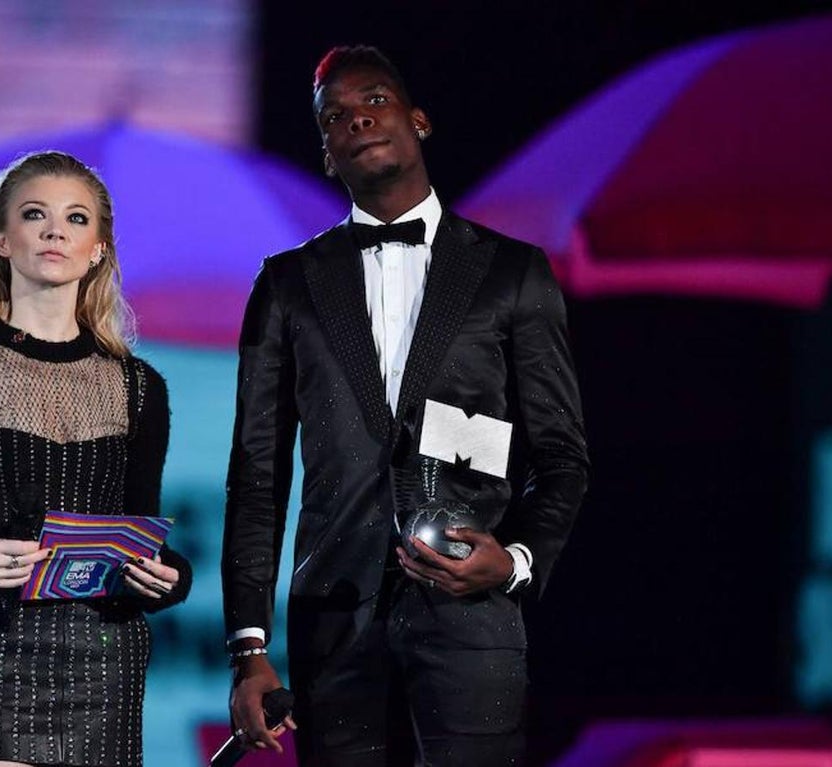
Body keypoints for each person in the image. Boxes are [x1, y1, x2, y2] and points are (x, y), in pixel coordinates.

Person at [223, 46, 589, 766]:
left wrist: (514, 561)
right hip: (334, 628)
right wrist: (248, 647)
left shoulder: (513, 273)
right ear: (327, 154)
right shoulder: (288, 284)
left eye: (375, 101)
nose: (357, 118)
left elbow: (564, 459)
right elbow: (256, 476)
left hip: (472, 624)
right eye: (336, 117)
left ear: (419, 121)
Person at [0, 150, 192, 767]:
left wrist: (167, 579)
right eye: (35, 214)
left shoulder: (139, 387)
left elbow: (139, 534)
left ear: (99, 249)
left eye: (76, 219)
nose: (56, 230)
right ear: (1, 240)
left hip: (103, 657)